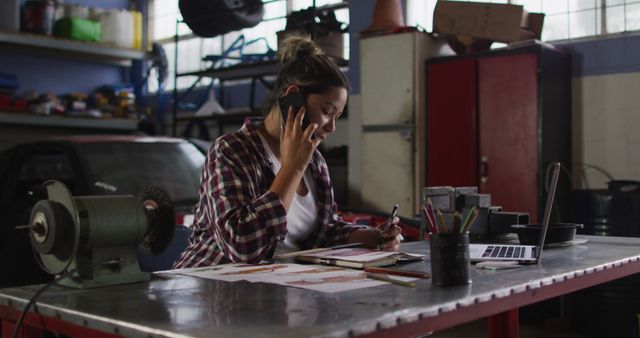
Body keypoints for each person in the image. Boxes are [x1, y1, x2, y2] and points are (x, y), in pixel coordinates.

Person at [173, 36, 402, 268]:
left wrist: (373, 237)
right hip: (211, 286)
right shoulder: (230, 151)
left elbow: (325, 229)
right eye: (326, 111)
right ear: (293, 96)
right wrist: (292, 168)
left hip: (276, 288)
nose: (332, 127)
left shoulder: (315, 162)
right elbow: (242, 246)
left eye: (337, 117)